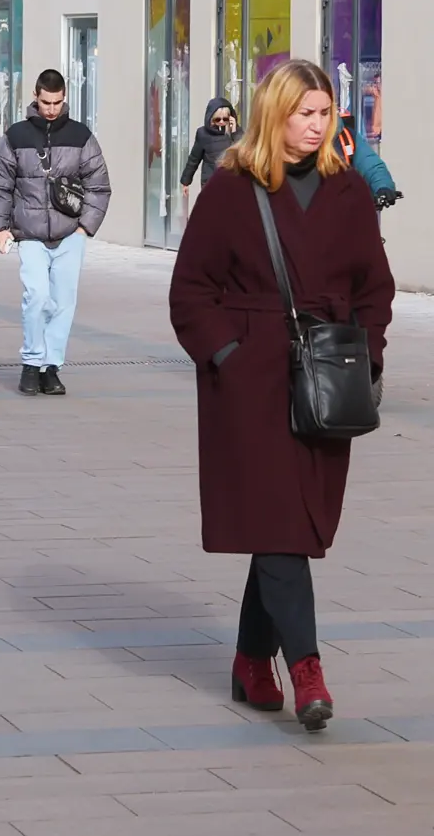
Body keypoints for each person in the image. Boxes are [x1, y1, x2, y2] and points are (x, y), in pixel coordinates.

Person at [167, 58, 395, 733]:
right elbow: (190, 292)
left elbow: (374, 288)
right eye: (305, 114)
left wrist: (367, 354)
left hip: (325, 379)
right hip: (249, 386)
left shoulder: (347, 190)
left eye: (325, 114)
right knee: (279, 528)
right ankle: (307, 669)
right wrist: (228, 357)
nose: (317, 126)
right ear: (275, 114)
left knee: (290, 528)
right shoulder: (233, 190)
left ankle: (246, 659)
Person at [0, 68, 112, 397]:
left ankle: (50, 367)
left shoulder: (82, 136)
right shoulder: (16, 136)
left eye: (57, 102)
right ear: (35, 98)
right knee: (37, 296)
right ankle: (31, 363)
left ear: (64, 98)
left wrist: (85, 228)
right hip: (29, 234)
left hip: (70, 234)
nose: (51, 109)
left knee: (64, 302)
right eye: (45, 102)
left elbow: (99, 185)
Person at [180, 98, 239, 211]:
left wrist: (234, 132)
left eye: (225, 119)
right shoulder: (203, 134)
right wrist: (186, 182)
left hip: (231, 183)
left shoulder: (236, 132)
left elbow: (242, 154)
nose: (221, 122)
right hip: (210, 183)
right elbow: (194, 158)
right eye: (217, 119)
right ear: (211, 118)